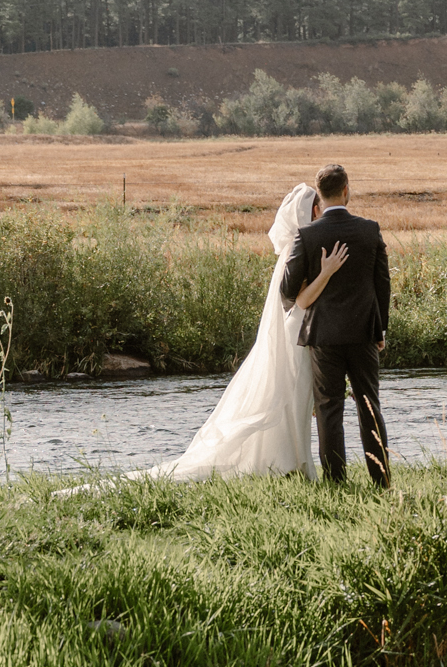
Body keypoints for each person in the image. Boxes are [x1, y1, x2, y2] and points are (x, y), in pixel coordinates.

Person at [149, 180, 349, 479]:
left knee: (293, 397)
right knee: (293, 397)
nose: (321, 212)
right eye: (316, 208)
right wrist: (328, 272)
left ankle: (290, 462)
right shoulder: (302, 249)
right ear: (310, 213)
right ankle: (292, 463)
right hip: (298, 333)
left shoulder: (295, 248)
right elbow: (302, 300)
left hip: (296, 330)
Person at [281, 161, 391, 485]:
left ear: (320, 196)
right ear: (346, 190)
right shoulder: (370, 230)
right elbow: (382, 283)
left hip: (323, 336)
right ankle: (381, 481)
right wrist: (380, 329)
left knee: (329, 411)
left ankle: (335, 484)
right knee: (370, 407)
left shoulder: (308, 235)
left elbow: (288, 292)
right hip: (363, 335)